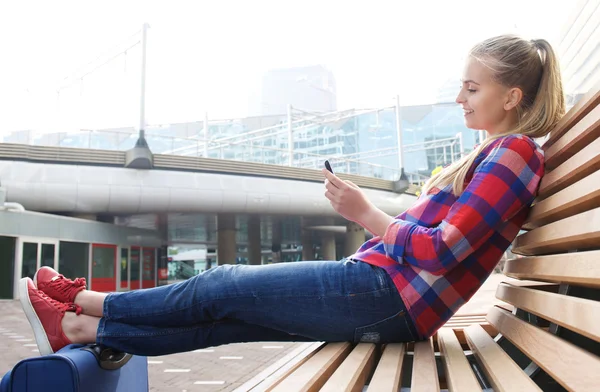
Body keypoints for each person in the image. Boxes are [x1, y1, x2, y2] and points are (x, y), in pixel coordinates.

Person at [19, 34, 565, 357]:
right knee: (225, 318)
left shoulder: (514, 153)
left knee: (221, 282)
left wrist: (365, 212)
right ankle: (78, 330)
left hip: (385, 295)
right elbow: (440, 242)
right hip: (389, 297)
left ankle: (84, 302)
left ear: (512, 96)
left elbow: (442, 251)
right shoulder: (499, 154)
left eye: (472, 88)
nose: (460, 98)